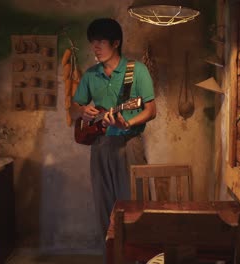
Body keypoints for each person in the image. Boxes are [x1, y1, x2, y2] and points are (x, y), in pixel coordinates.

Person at [70, 18, 156, 260]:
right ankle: (111, 256)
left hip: (129, 144)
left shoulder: (137, 70)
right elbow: (75, 105)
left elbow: (151, 110)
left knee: (135, 204)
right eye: (92, 42)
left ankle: (137, 257)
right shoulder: (90, 74)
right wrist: (81, 110)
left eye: (100, 42)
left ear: (116, 42)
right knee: (104, 205)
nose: (95, 47)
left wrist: (127, 122)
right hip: (99, 146)